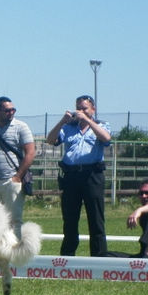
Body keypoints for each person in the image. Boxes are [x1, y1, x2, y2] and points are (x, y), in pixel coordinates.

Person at [46, 95, 111, 256]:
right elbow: (50, 139)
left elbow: (106, 138)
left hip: (92, 175)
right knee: (70, 218)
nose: (80, 111)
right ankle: (67, 256)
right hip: (71, 177)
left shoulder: (101, 125)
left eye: (84, 108)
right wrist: (62, 121)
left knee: (95, 218)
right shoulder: (69, 127)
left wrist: (89, 121)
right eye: (78, 108)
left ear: (93, 109)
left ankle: (99, 256)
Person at [0, 96, 35, 237]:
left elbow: (30, 153)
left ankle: (14, 251)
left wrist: (17, 177)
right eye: (7, 110)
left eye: (13, 109)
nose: (11, 112)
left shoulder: (21, 127)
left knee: (14, 220)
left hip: (12, 181)